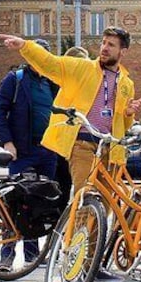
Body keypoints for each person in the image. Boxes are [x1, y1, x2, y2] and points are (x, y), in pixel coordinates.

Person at [0, 27, 141, 282]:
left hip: (110, 150)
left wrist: (129, 112)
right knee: (86, 201)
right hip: (83, 144)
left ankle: (92, 264)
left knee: (105, 209)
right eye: (103, 42)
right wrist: (24, 46)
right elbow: (50, 64)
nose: (105, 48)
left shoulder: (126, 84)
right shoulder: (83, 68)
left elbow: (122, 122)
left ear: (123, 51)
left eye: (111, 44)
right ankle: (72, 260)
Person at [0, 39, 59, 270]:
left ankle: (32, 254)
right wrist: (7, 142)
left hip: (48, 152)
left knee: (39, 205)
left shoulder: (52, 83)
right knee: (14, 203)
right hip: (23, 151)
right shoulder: (16, 80)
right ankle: (7, 255)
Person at [54, 45, 91, 210]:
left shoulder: (83, 86)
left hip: (74, 143)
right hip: (60, 143)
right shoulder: (58, 82)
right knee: (61, 190)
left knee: (77, 189)